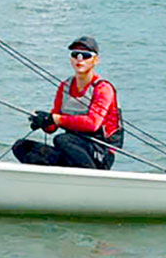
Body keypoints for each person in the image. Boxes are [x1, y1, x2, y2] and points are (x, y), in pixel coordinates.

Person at [12, 36, 121, 170]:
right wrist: (44, 121)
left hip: (99, 152)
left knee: (62, 140)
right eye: (75, 55)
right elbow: (53, 125)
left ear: (96, 60)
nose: (79, 59)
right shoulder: (64, 87)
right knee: (22, 147)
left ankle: (91, 180)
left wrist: (57, 119)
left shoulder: (103, 89)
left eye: (85, 56)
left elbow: (93, 124)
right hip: (71, 147)